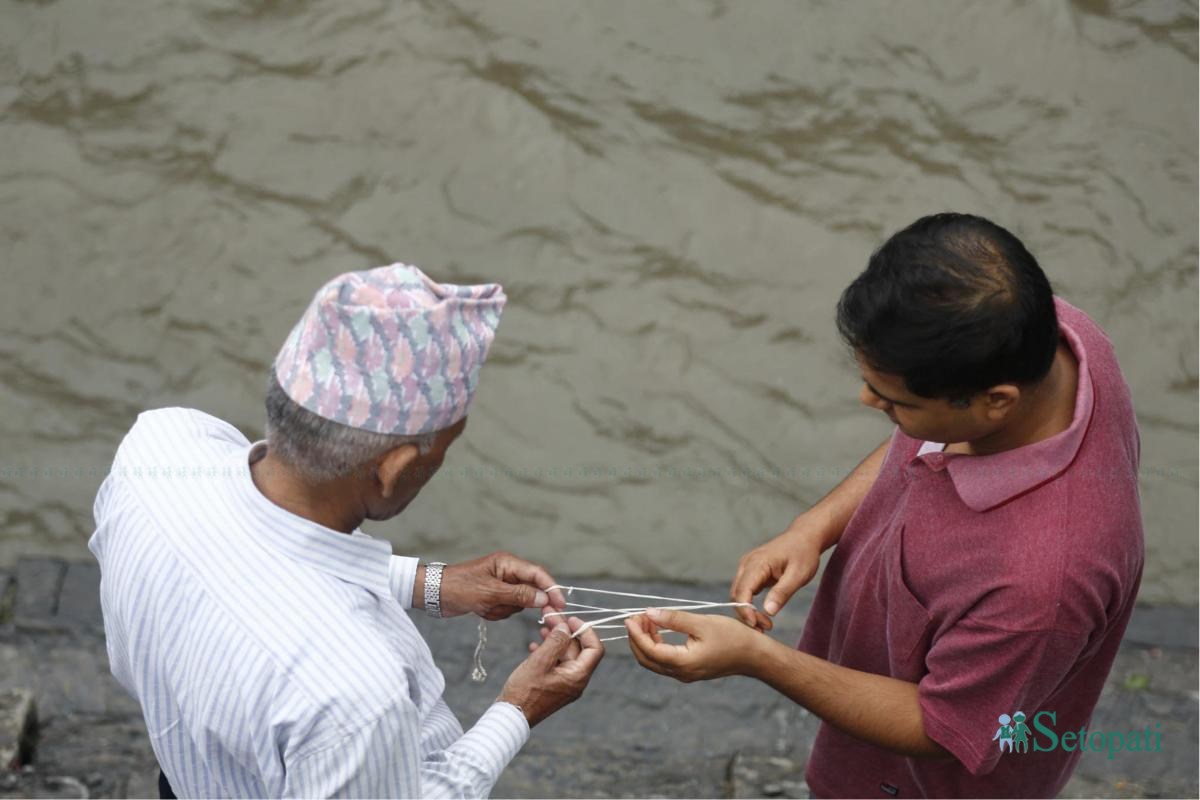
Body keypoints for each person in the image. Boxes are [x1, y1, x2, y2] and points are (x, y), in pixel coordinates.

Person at [625, 213, 1143, 797]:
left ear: (996, 402)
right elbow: (922, 440)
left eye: (894, 402)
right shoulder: (1043, 335)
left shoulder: (1041, 585)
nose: (867, 399)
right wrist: (813, 527)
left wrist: (759, 659)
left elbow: (941, 727)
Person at [90, 264, 604, 798]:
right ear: (395, 469)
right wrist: (518, 710)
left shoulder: (159, 448)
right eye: (445, 448)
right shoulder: (353, 699)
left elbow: (255, 554)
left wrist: (431, 584)